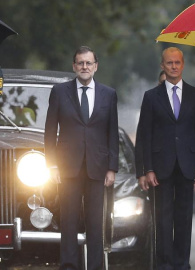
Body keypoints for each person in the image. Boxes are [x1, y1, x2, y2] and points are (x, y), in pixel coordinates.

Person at [44, 46, 119, 270]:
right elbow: (50, 131)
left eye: (88, 63)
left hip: (98, 168)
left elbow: (112, 132)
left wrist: (111, 168)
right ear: (74, 66)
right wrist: (52, 165)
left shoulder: (109, 94)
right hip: (67, 168)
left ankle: (95, 266)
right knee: (68, 221)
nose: (84, 67)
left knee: (95, 223)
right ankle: (69, 266)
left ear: (96, 66)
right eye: (80, 63)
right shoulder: (59, 92)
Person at [136, 47, 195, 270]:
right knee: (163, 220)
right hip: (159, 168)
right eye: (169, 63)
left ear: (183, 65)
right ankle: (164, 265)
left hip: (187, 165)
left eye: (177, 63)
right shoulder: (151, 97)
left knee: (184, 219)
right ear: (162, 66)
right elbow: (143, 135)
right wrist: (145, 170)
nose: (174, 66)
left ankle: (181, 264)